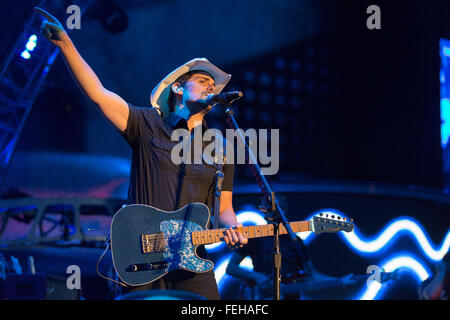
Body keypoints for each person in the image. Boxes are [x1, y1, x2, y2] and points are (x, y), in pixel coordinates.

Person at [35, 7, 247, 300]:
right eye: (202, 81)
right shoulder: (145, 123)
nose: (210, 88)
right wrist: (65, 44)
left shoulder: (219, 148)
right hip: (142, 253)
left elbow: (225, 209)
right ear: (177, 87)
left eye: (213, 86)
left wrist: (233, 229)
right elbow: (98, 93)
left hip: (192, 263)